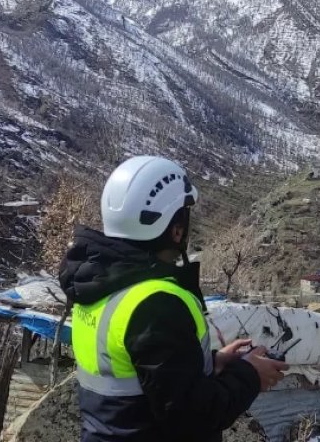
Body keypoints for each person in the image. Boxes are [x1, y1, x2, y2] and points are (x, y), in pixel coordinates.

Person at [59, 156, 287, 442]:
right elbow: (191, 417)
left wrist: (212, 362)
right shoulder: (155, 303)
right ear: (176, 229)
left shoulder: (97, 285)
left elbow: (139, 374)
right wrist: (249, 375)